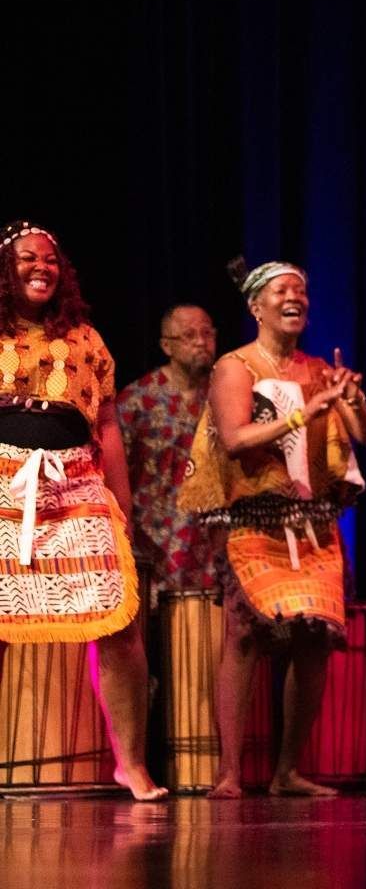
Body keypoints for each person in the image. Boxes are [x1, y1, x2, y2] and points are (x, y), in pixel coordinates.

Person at [179, 260, 366, 797]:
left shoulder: (319, 368)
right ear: (255, 306)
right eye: (281, 291)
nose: (295, 298)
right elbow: (235, 438)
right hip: (254, 519)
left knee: (315, 637)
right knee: (244, 636)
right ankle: (228, 773)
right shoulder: (235, 366)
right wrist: (303, 413)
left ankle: (287, 770)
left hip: (313, 522)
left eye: (302, 290)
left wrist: (352, 401)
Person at [0, 219, 166, 800]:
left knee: (119, 622)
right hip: (2, 480)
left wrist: (120, 503)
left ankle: (132, 765)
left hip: (74, 482)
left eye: (49, 259)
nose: (40, 266)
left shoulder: (87, 340)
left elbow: (108, 427)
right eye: (26, 258)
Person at [117, 304, 220, 597]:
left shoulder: (226, 395)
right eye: (189, 335)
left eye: (207, 333)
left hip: (212, 544)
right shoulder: (137, 400)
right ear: (166, 345)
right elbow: (114, 475)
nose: (201, 341)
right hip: (154, 544)